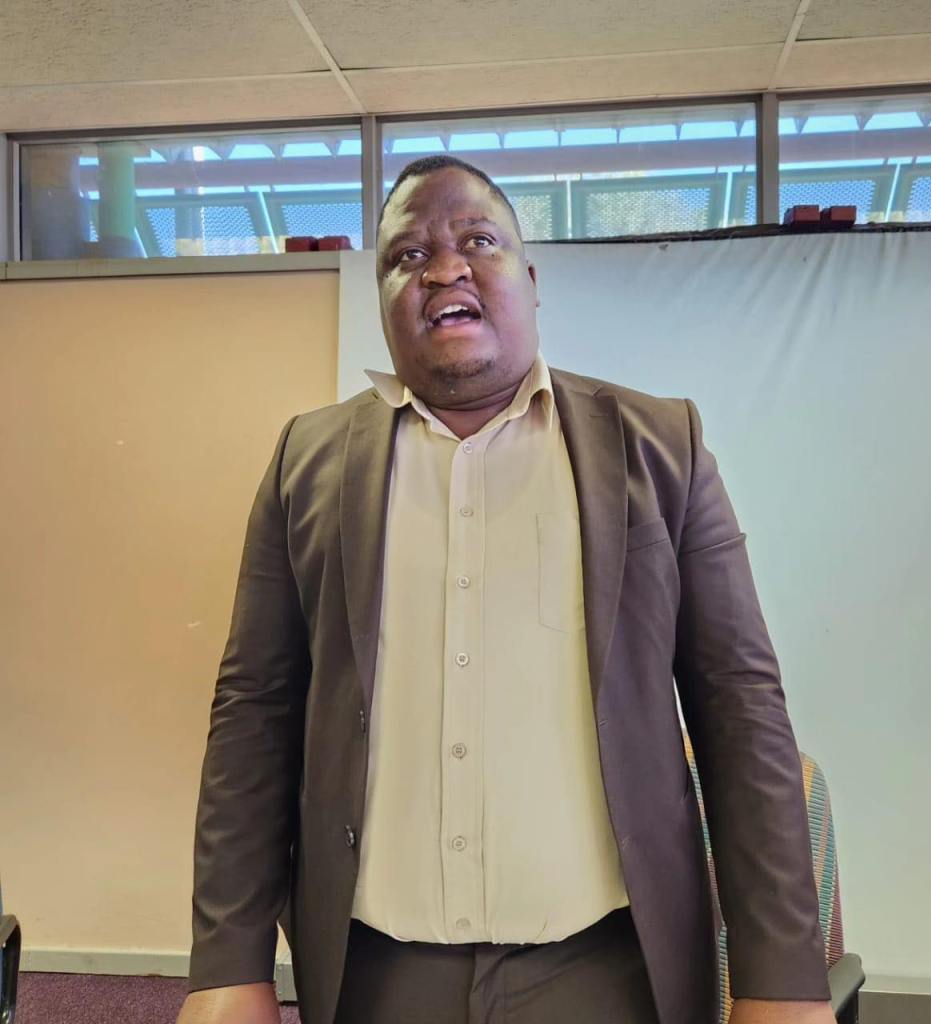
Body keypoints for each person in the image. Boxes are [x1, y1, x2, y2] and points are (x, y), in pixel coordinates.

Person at [176, 155, 835, 1024]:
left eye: (478, 242)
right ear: (382, 299)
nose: (443, 269)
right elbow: (253, 713)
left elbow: (740, 706)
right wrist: (228, 963)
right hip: (375, 970)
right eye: (407, 256)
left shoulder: (659, 446)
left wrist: (781, 979)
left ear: (530, 280)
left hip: (606, 968)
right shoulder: (307, 461)